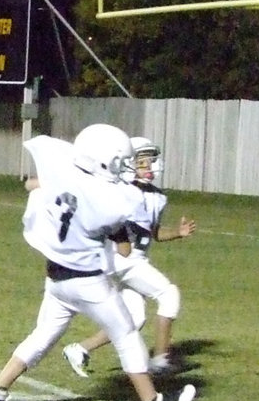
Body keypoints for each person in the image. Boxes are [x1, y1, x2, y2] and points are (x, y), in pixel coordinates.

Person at [0, 124, 197, 401]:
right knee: (127, 333)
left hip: (55, 277)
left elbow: (33, 184)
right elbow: (125, 250)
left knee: (42, 335)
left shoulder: (64, 173)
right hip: (87, 281)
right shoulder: (112, 200)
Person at [60, 136, 196, 378]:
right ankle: (161, 360)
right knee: (168, 294)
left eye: (151, 161)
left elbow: (152, 233)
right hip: (120, 258)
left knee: (133, 318)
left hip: (136, 259)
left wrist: (178, 232)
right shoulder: (120, 192)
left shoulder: (158, 196)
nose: (150, 166)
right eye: (143, 162)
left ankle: (79, 349)